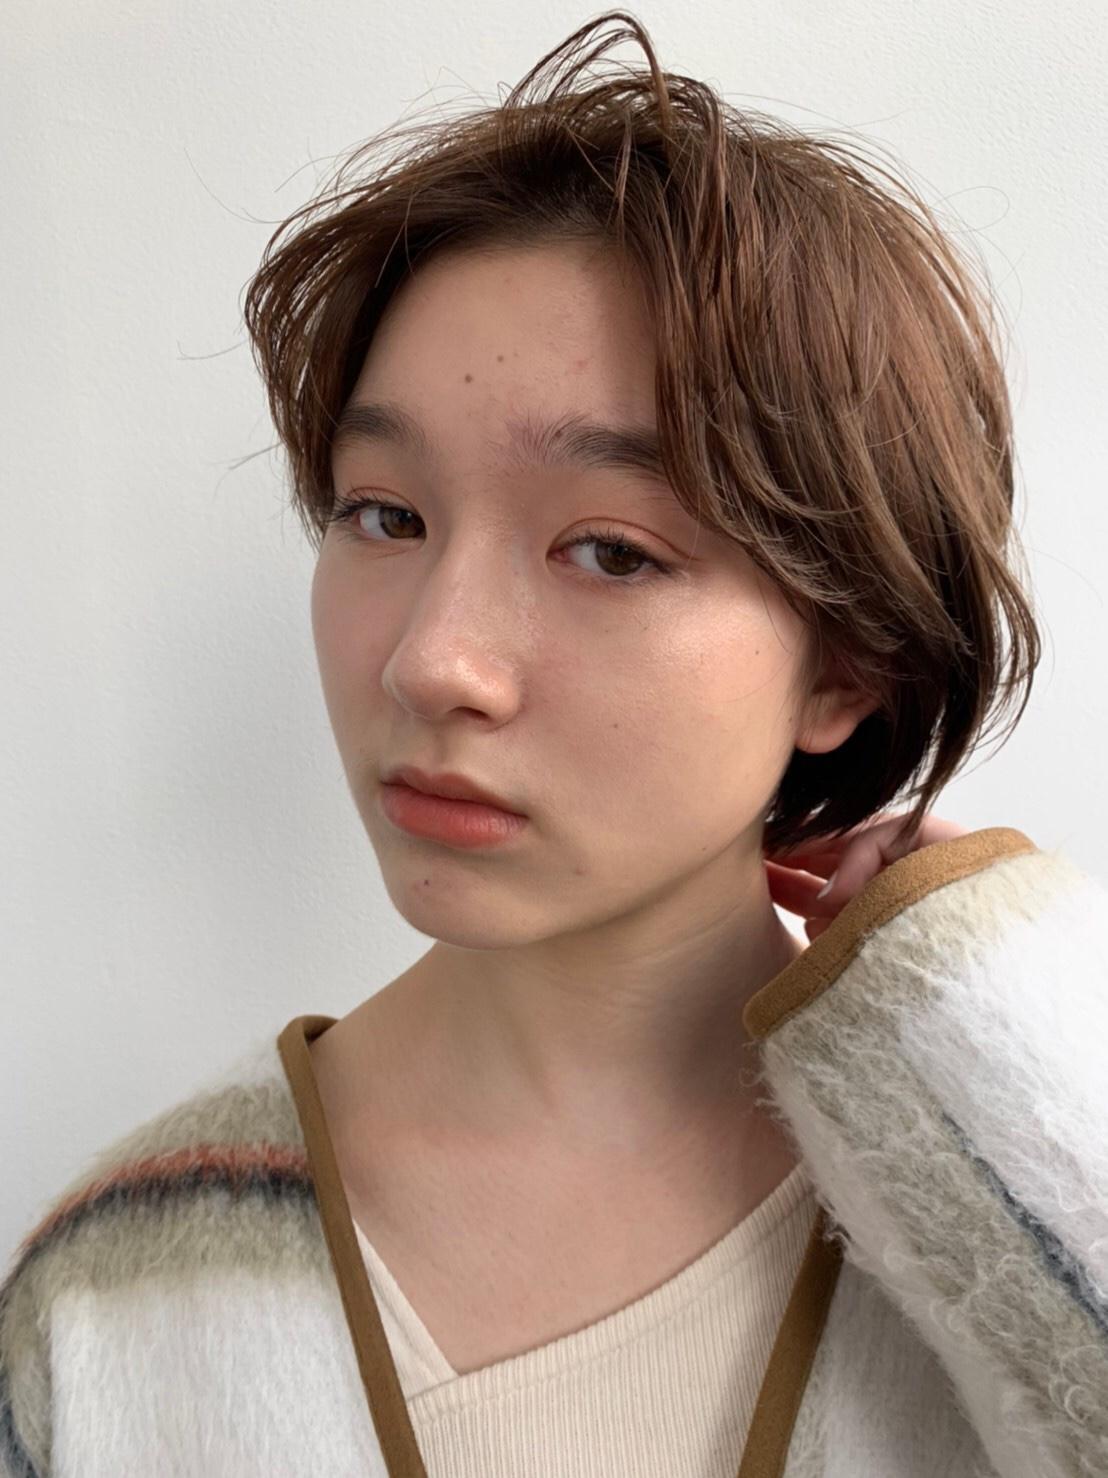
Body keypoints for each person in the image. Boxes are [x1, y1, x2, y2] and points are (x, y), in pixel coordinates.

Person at [4, 11, 1106, 1477]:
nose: (430, 659)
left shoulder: (996, 1201)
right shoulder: (108, 1306)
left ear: (847, 665)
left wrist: (1007, 1037)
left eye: (611, 550)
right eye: (384, 514)